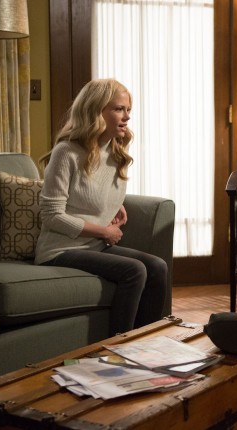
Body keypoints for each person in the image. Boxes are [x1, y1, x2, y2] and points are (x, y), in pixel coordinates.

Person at [35, 78, 169, 336]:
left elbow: (91, 193)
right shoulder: (66, 152)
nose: (127, 116)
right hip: (60, 249)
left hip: (94, 246)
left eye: (128, 109)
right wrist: (104, 231)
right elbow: (52, 216)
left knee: (157, 267)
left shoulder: (116, 152)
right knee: (134, 270)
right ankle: (117, 346)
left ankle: (146, 342)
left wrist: (114, 205)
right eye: (119, 109)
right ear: (95, 110)